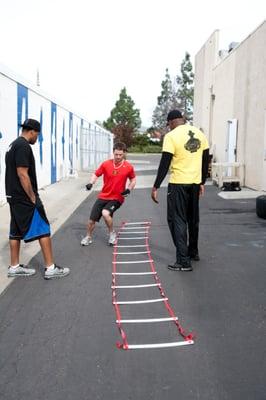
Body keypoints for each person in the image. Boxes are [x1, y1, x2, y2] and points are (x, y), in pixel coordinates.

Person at [5, 118, 70, 280]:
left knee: (16, 232)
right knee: (43, 228)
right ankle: (50, 268)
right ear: (32, 131)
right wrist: (33, 197)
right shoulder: (23, 146)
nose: (37, 138)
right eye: (38, 135)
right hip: (25, 197)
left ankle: (14, 267)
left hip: (13, 196)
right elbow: (22, 173)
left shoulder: (13, 145)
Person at [151, 110, 209, 272]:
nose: (168, 127)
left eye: (168, 124)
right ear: (182, 120)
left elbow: (165, 163)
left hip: (178, 184)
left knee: (177, 220)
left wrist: (156, 186)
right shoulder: (199, 133)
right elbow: (205, 160)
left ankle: (183, 261)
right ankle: (193, 252)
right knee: (193, 219)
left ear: (171, 122)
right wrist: (202, 181)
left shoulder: (171, 136)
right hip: (195, 183)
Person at [81, 142, 136, 246]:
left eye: (120, 154)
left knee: (105, 213)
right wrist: (90, 183)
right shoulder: (106, 164)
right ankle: (88, 237)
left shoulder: (128, 167)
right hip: (104, 195)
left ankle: (112, 234)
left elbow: (133, 180)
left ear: (124, 153)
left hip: (117, 197)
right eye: (116, 154)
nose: (118, 157)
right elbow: (96, 174)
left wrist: (128, 189)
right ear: (113, 153)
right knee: (91, 220)